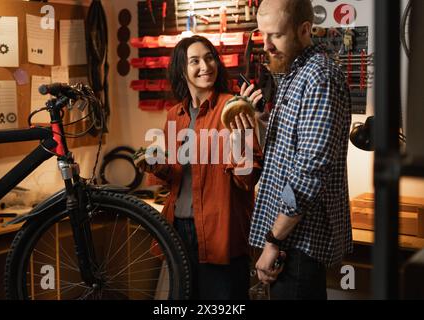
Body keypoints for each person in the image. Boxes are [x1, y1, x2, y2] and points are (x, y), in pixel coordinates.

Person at [135, 35, 264, 300]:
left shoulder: (233, 107)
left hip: (221, 231)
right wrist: (155, 164)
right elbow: (175, 178)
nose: (205, 66)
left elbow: (248, 178)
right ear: (182, 70)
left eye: (209, 58)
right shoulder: (175, 115)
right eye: (195, 61)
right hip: (179, 229)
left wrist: (240, 141)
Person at [246, 0, 353, 300]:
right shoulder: (294, 73)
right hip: (289, 240)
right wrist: (263, 118)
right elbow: (292, 150)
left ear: (305, 29)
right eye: (262, 34)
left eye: (276, 35)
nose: (266, 45)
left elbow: (309, 172)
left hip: (298, 242)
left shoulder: (320, 78)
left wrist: (273, 241)